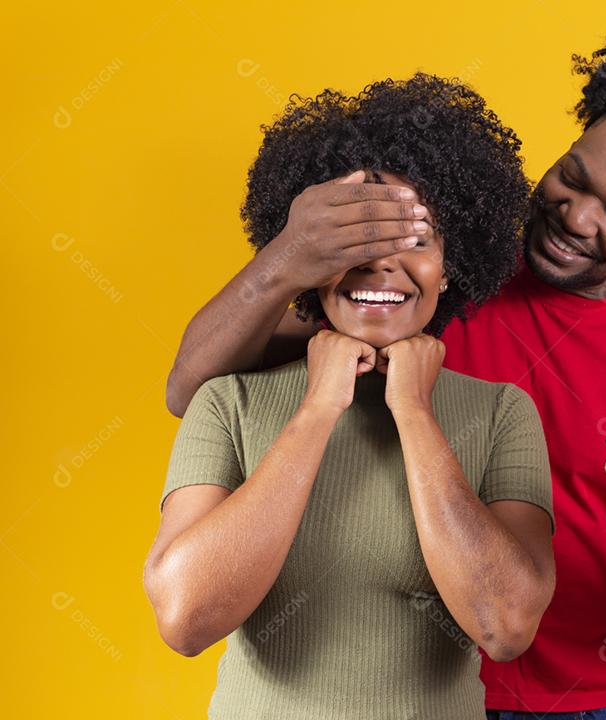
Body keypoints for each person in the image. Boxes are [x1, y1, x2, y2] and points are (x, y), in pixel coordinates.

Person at [165, 26, 606, 719]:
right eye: (573, 177)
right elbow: (191, 387)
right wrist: (285, 257)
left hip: (593, 699)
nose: (576, 215)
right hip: (424, 688)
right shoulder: (429, 280)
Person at [143, 74, 556, 720]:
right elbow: (185, 619)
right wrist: (317, 409)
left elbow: (505, 626)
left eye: (416, 240)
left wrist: (414, 413)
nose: (382, 264)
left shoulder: (501, 413)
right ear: (315, 260)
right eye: (355, 241)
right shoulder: (229, 401)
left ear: (450, 266)